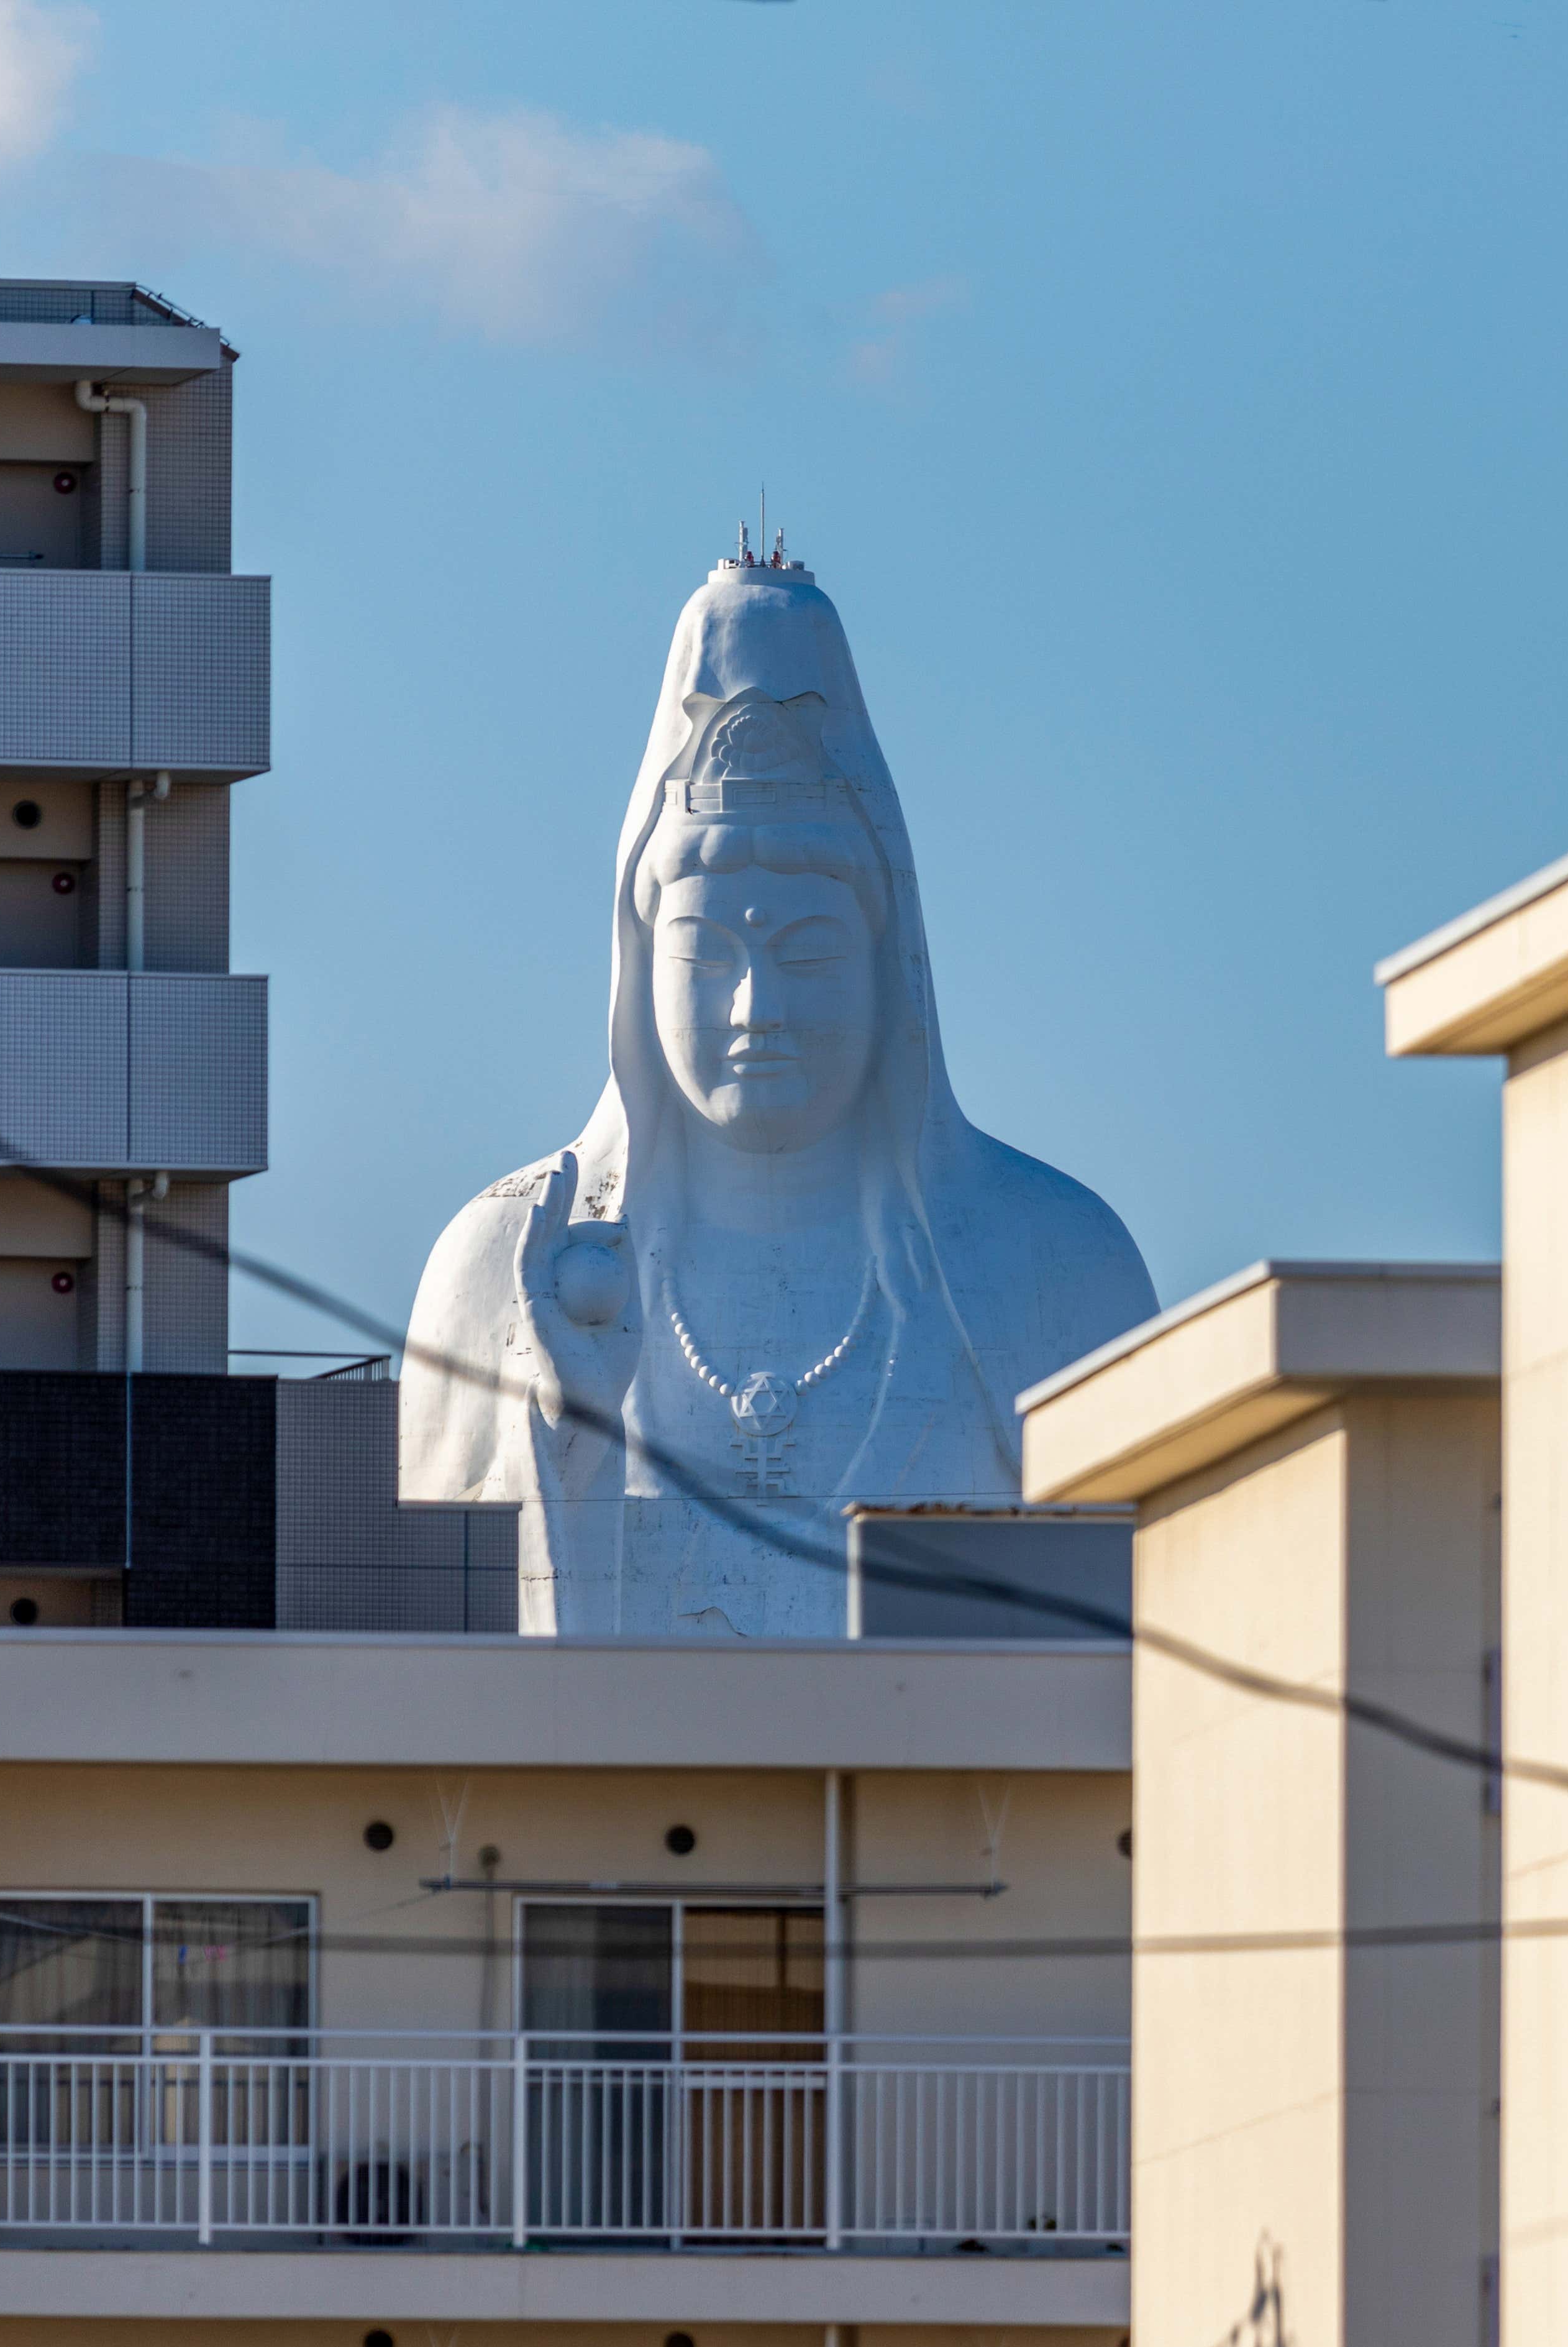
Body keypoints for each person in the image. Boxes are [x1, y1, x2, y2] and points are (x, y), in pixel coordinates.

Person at [401, 552, 1156, 1637]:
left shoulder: (1055, 1258)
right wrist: (561, 1456)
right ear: (638, 963)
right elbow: (424, 1665)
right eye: (706, 956)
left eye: (805, 953)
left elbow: (1150, 1646)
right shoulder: (509, 1259)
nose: (757, 1006)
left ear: (884, 962)